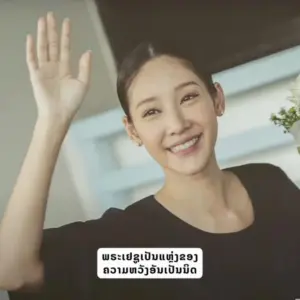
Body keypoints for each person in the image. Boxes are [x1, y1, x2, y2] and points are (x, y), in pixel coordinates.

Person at [0, 12, 300, 300]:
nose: (177, 125)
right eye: (152, 112)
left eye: (188, 97)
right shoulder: (140, 247)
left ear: (216, 99)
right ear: (132, 131)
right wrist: (53, 120)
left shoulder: (269, 184)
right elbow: (14, 272)